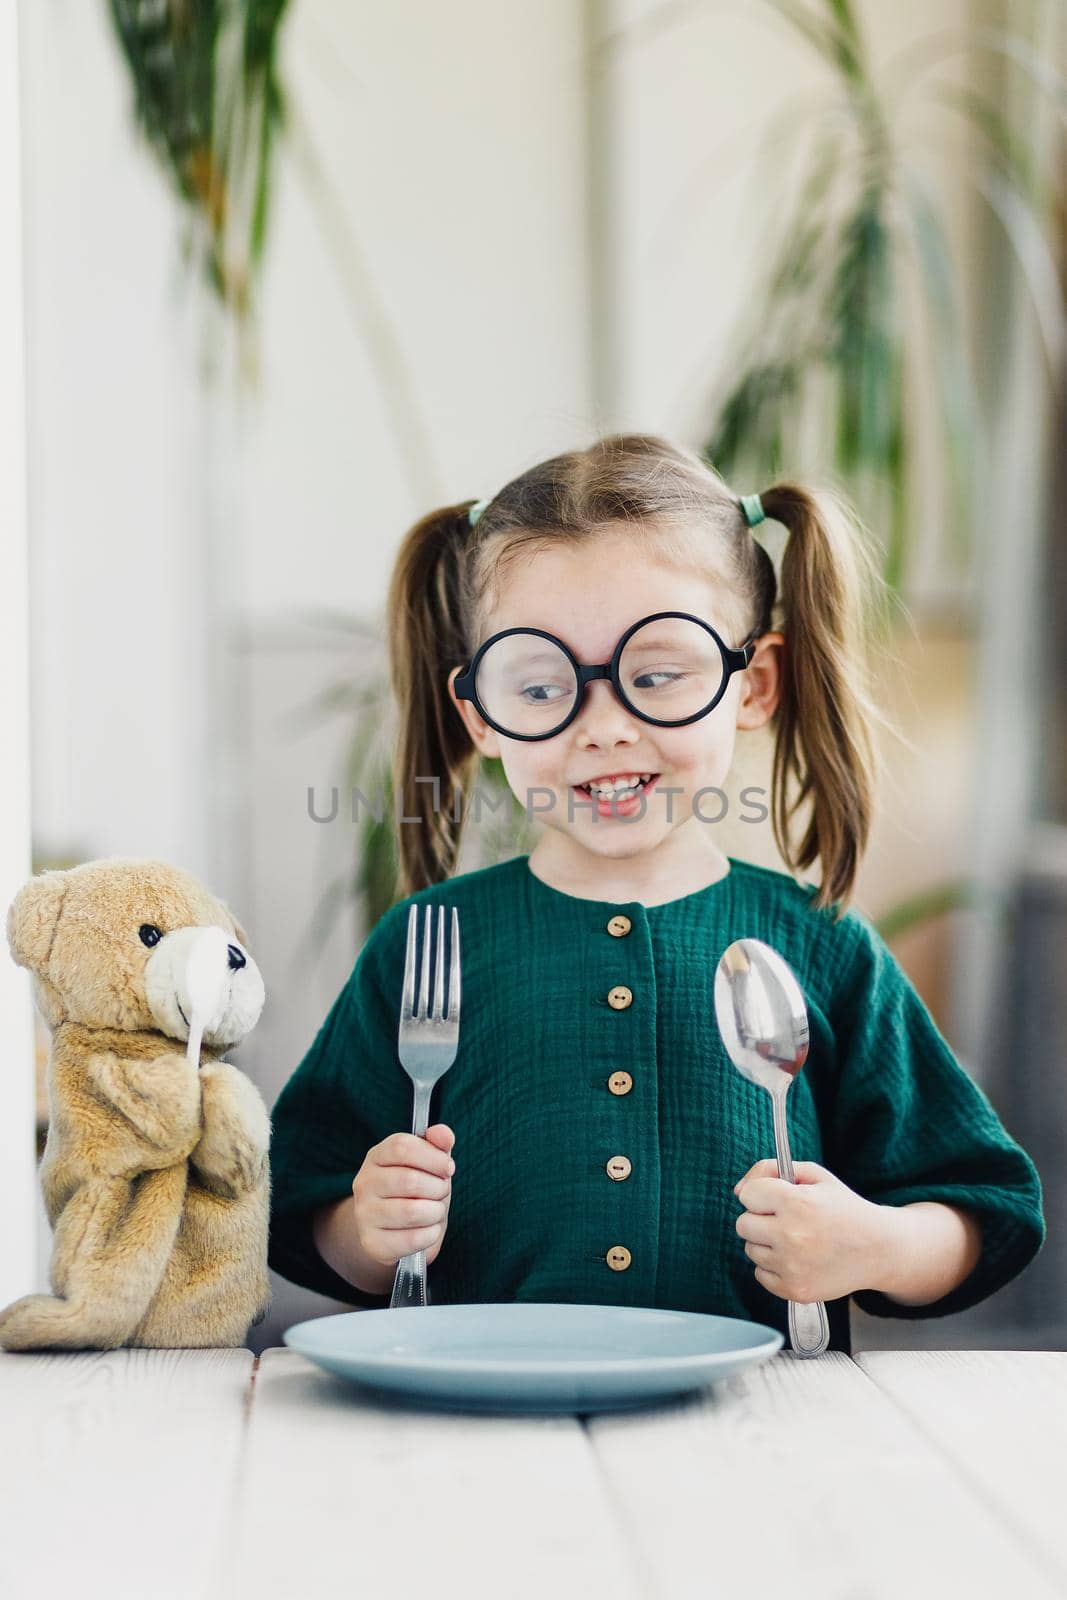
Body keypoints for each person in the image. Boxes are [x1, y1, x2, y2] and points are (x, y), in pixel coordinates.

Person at [268, 433, 1045, 1353]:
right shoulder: (427, 944)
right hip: (481, 1434)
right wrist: (364, 1234)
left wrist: (871, 1244)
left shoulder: (818, 947)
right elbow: (294, 1206)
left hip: (753, 1440)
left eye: (656, 676)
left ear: (751, 684)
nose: (603, 729)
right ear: (480, 714)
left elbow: (982, 1215)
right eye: (542, 684)